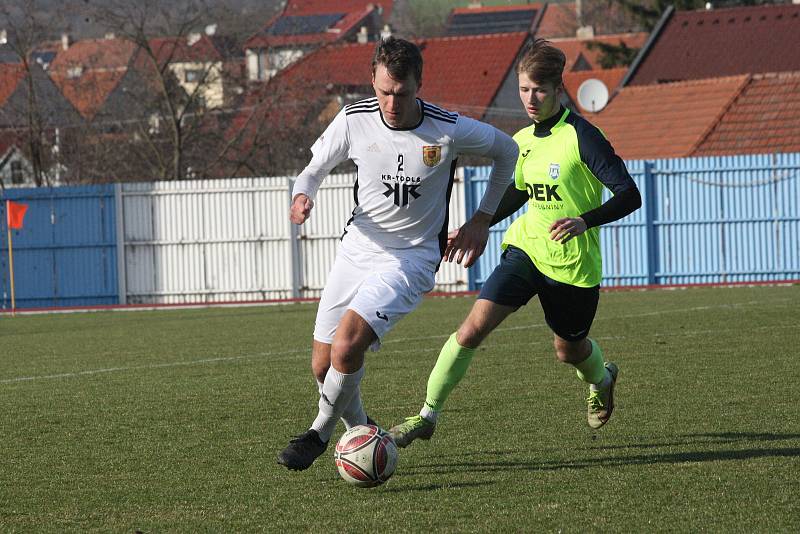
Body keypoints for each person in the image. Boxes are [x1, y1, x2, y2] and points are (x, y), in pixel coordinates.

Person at [277, 37, 519, 471]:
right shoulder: (353, 119)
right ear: (372, 80)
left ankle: (318, 433)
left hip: (410, 259)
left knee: (346, 348)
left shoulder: (447, 129)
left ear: (418, 85)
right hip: (358, 249)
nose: (391, 102)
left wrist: (483, 218)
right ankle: (364, 430)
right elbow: (313, 171)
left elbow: (508, 152)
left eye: (402, 93)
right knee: (323, 365)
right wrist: (301, 196)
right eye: (384, 91)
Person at [389, 38, 642, 448]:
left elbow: (630, 195)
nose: (530, 98)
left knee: (569, 351)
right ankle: (426, 414)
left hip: (573, 266)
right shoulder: (521, 140)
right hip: (526, 250)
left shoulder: (582, 137)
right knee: (472, 328)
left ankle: (602, 378)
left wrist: (584, 220)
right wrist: (480, 223)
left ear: (558, 89)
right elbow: (522, 191)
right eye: (524, 89)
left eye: (539, 90)